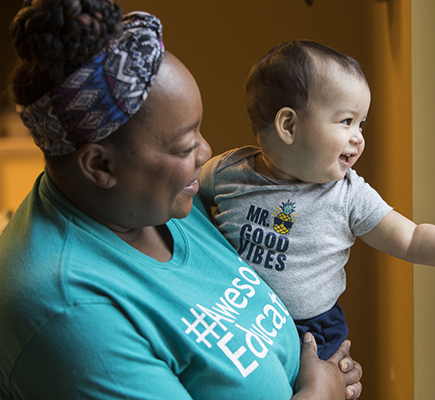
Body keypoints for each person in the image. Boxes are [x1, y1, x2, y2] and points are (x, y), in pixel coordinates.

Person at [0, 2, 363, 399]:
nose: (207, 152)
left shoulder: (152, 203)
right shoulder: (69, 312)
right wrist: (318, 393)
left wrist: (321, 365)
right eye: (184, 145)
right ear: (100, 165)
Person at [198, 40, 435, 359]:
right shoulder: (228, 171)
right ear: (288, 125)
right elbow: (185, 192)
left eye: (361, 124)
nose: (358, 138)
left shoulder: (349, 195)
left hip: (310, 334)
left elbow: (412, 238)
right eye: (346, 121)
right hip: (235, 317)